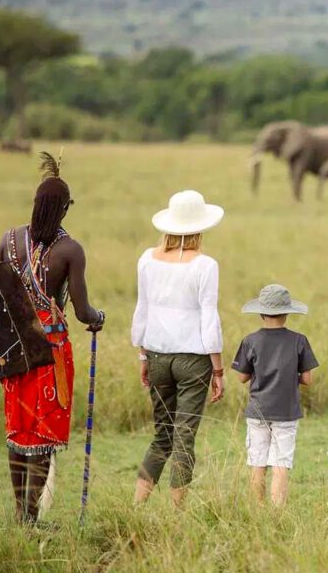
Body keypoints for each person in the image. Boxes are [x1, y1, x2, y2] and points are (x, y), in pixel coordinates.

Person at [0, 152, 105, 525]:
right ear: (65, 208)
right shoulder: (70, 250)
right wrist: (99, 318)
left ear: (35, 203)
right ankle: (31, 518)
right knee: (43, 433)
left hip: (14, 348)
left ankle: (21, 513)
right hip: (50, 351)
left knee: (19, 430)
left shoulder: (9, 239)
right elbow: (83, 312)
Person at [131, 189, 226, 507]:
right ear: (200, 228)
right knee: (184, 435)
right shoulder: (206, 265)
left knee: (162, 434)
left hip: (156, 355)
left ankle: (137, 506)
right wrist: (218, 369)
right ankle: (178, 513)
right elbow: (209, 318)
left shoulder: (147, 259)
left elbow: (142, 309)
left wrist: (142, 354)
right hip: (194, 359)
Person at [231, 284, 318, 506]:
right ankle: (277, 512)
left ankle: (258, 509)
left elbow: (241, 377)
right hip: (286, 412)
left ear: (261, 313)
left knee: (257, 462)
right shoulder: (299, 340)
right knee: (281, 463)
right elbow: (308, 379)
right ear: (287, 313)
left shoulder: (250, 340)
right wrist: (291, 376)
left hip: (258, 410)